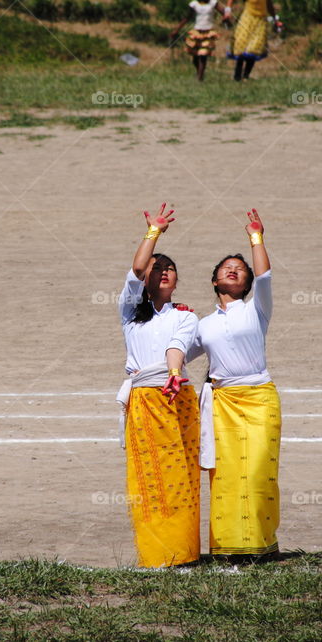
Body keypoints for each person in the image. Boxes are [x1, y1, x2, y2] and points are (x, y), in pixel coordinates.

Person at [116, 203, 201, 568]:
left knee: (182, 475)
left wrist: (173, 373)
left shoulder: (186, 315)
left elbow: (176, 348)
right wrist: (155, 232)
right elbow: (137, 267)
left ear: (177, 280)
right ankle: (156, 554)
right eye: (158, 268)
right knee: (150, 479)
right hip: (145, 398)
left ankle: (183, 553)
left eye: (170, 269)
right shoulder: (129, 308)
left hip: (176, 392)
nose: (163, 272)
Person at [194, 208, 281, 563]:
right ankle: (228, 548)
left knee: (259, 471)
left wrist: (256, 237)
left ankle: (261, 547)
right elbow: (178, 356)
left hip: (259, 398)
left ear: (245, 284)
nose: (233, 269)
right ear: (215, 280)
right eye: (226, 267)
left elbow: (266, 276)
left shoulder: (257, 308)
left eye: (240, 269)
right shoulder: (200, 323)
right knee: (226, 477)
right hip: (222, 403)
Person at [170, 0, 234, 82]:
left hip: (207, 32)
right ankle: (199, 72)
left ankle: (200, 78)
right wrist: (176, 30)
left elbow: (223, 12)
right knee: (195, 57)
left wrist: (227, 19)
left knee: (203, 55)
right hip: (197, 32)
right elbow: (187, 18)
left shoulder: (213, 3)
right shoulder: (194, 4)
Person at [225, 0, 281, 81]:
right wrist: (228, 10)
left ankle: (246, 76)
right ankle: (237, 74)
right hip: (247, 19)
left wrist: (275, 19)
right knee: (241, 46)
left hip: (260, 21)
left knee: (254, 48)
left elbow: (269, 4)